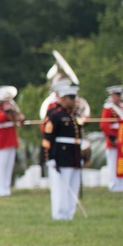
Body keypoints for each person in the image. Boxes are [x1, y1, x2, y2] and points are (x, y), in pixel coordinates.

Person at [42, 85, 87, 220]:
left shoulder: (74, 115)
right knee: (60, 188)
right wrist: (49, 157)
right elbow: (47, 138)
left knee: (73, 186)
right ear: (62, 98)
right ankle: (60, 214)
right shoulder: (54, 114)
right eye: (71, 98)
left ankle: (69, 214)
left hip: (74, 155)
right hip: (61, 156)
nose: (74, 101)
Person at [0, 86, 24, 197]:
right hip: (1, 140)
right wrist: (6, 111)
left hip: (11, 139)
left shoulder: (10, 107)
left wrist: (18, 115)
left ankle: (6, 188)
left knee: (9, 165)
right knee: (0, 166)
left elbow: (18, 121)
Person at [100, 85, 123, 192]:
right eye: (116, 95)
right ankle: (114, 185)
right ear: (112, 96)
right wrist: (112, 137)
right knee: (113, 164)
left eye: (119, 95)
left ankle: (122, 185)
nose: (118, 97)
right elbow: (104, 125)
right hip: (114, 140)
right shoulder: (109, 108)